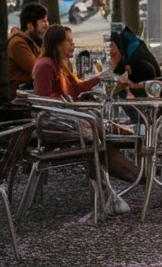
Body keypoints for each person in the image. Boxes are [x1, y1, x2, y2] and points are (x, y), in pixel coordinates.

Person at [32, 25, 139, 186]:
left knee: (114, 133)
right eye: (69, 41)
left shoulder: (62, 64)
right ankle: (137, 174)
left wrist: (98, 78)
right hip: (57, 125)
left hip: (72, 119)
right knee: (104, 135)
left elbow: (76, 87)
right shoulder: (45, 65)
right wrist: (73, 105)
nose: (73, 44)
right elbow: (44, 101)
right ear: (57, 44)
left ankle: (139, 168)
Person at [7, 2, 50, 100]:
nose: (47, 25)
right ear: (30, 26)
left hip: (29, 92)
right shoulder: (18, 43)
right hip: (20, 97)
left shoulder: (31, 42)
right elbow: (37, 70)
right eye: (43, 22)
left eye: (47, 21)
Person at [110, 27, 162, 96]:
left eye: (113, 47)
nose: (111, 52)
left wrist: (127, 85)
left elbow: (152, 85)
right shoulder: (132, 53)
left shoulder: (139, 63)